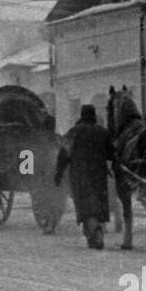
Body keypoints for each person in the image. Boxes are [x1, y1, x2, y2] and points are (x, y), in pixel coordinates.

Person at [55, 104, 115, 249]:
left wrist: (58, 173)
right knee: (98, 204)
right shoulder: (103, 132)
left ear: (82, 115)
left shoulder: (74, 133)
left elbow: (63, 155)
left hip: (80, 175)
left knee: (85, 207)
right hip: (99, 175)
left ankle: (96, 232)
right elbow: (111, 154)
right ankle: (94, 233)